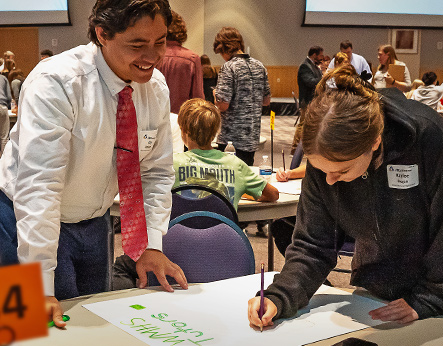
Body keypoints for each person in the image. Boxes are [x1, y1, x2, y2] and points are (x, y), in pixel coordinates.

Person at [0, 0, 188, 328]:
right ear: (102, 34)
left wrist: (151, 244)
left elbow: (156, 172)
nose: (153, 56)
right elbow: (39, 187)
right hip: (22, 220)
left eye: (160, 42)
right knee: (30, 328)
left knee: (97, 319)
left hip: (93, 221)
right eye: (138, 44)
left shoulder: (154, 88)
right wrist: (39, 288)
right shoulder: (57, 82)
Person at [248, 65, 443, 329]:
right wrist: (281, 295)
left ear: (374, 142)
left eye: (342, 171)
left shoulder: (430, 138)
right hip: (381, 289)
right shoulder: (325, 156)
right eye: (323, 170)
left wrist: (429, 299)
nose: (329, 180)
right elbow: (313, 244)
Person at [112, 98, 279, 290]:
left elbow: (143, 194)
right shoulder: (236, 165)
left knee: (122, 266)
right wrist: (241, 192)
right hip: (223, 250)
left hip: (170, 250)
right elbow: (272, 195)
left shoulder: (167, 165)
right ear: (216, 132)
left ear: (183, 132)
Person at [213, 26, 271, 166]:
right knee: (245, 176)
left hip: (231, 139)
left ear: (225, 47)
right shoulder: (260, 66)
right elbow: (266, 101)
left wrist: (215, 94)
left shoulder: (229, 67)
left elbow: (223, 105)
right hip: (252, 137)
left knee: (228, 180)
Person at [156, 10, 204, 114]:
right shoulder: (192, 59)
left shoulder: (152, 57)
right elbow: (198, 99)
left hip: (152, 120)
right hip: (181, 122)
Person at [291, 46, 323, 155]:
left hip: (314, 101)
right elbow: (310, 82)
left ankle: (305, 149)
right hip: (307, 101)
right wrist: (324, 78)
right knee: (303, 125)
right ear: (314, 55)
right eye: (320, 55)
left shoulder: (314, 66)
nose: (322, 58)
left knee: (309, 126)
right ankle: (295, 150)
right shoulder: (305, 66)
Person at [0, 73, 11, 157]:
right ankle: (4, 160)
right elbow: (9, 96)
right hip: (2, 106)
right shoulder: (3, 78)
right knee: (4, 137)